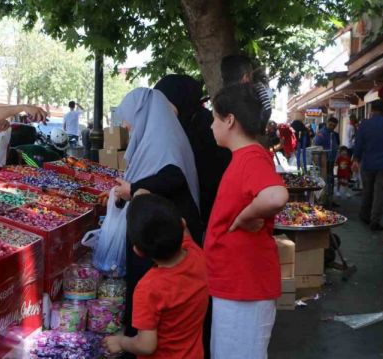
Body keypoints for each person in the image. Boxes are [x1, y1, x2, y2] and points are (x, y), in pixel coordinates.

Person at [93, 88, 202, 359]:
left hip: (158, 233)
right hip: (168, 233)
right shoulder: (159, 134)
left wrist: (135, 189)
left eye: (128, 118)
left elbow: (172, 176)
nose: (127, 125)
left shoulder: (162, 138)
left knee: (154, 313)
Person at [206, 83, 288, 359]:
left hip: (244, 287)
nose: (211, 126)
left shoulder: (251, 157)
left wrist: (245, 215)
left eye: (214, 118)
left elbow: (277, 195)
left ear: (229, 120)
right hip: (237, 285)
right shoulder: (246, 156)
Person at [103, 194, 209, 359]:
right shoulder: (197, 256)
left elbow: (146, 345)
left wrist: (121, 342)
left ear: (138, 251)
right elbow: (184, 230)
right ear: (182, 224)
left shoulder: (149, 288)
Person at [154, 75, 231, 228]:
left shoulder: (203, 127)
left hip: (213, 212)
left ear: (177, 98)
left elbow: (181, 173)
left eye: (164, 102)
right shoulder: (189, 121)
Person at [353, 100, 383, 230]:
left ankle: (364, 215)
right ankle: (375, 220)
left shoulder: (364, 124)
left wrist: (356, 158)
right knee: (380, 193)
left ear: (371, 110)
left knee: (367, 190)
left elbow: (359, 143)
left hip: (367, 163)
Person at [220, 54, 272, 134]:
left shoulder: (220, 100)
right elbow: (267, 109)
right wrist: (262, 129)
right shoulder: (256, 88)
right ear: (246, 77)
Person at [315, 117, 340, 206]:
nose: (332, 127)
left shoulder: (334, 134)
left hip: (331, 160)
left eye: (334, 126)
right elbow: (316, 146)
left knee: (330, 179)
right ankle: (323, 200)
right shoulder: (321, 133)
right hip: (323, 161)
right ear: (327, 123)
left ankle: (330, 199)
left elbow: (336, 146)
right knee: (324, 180)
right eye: (330, 125)